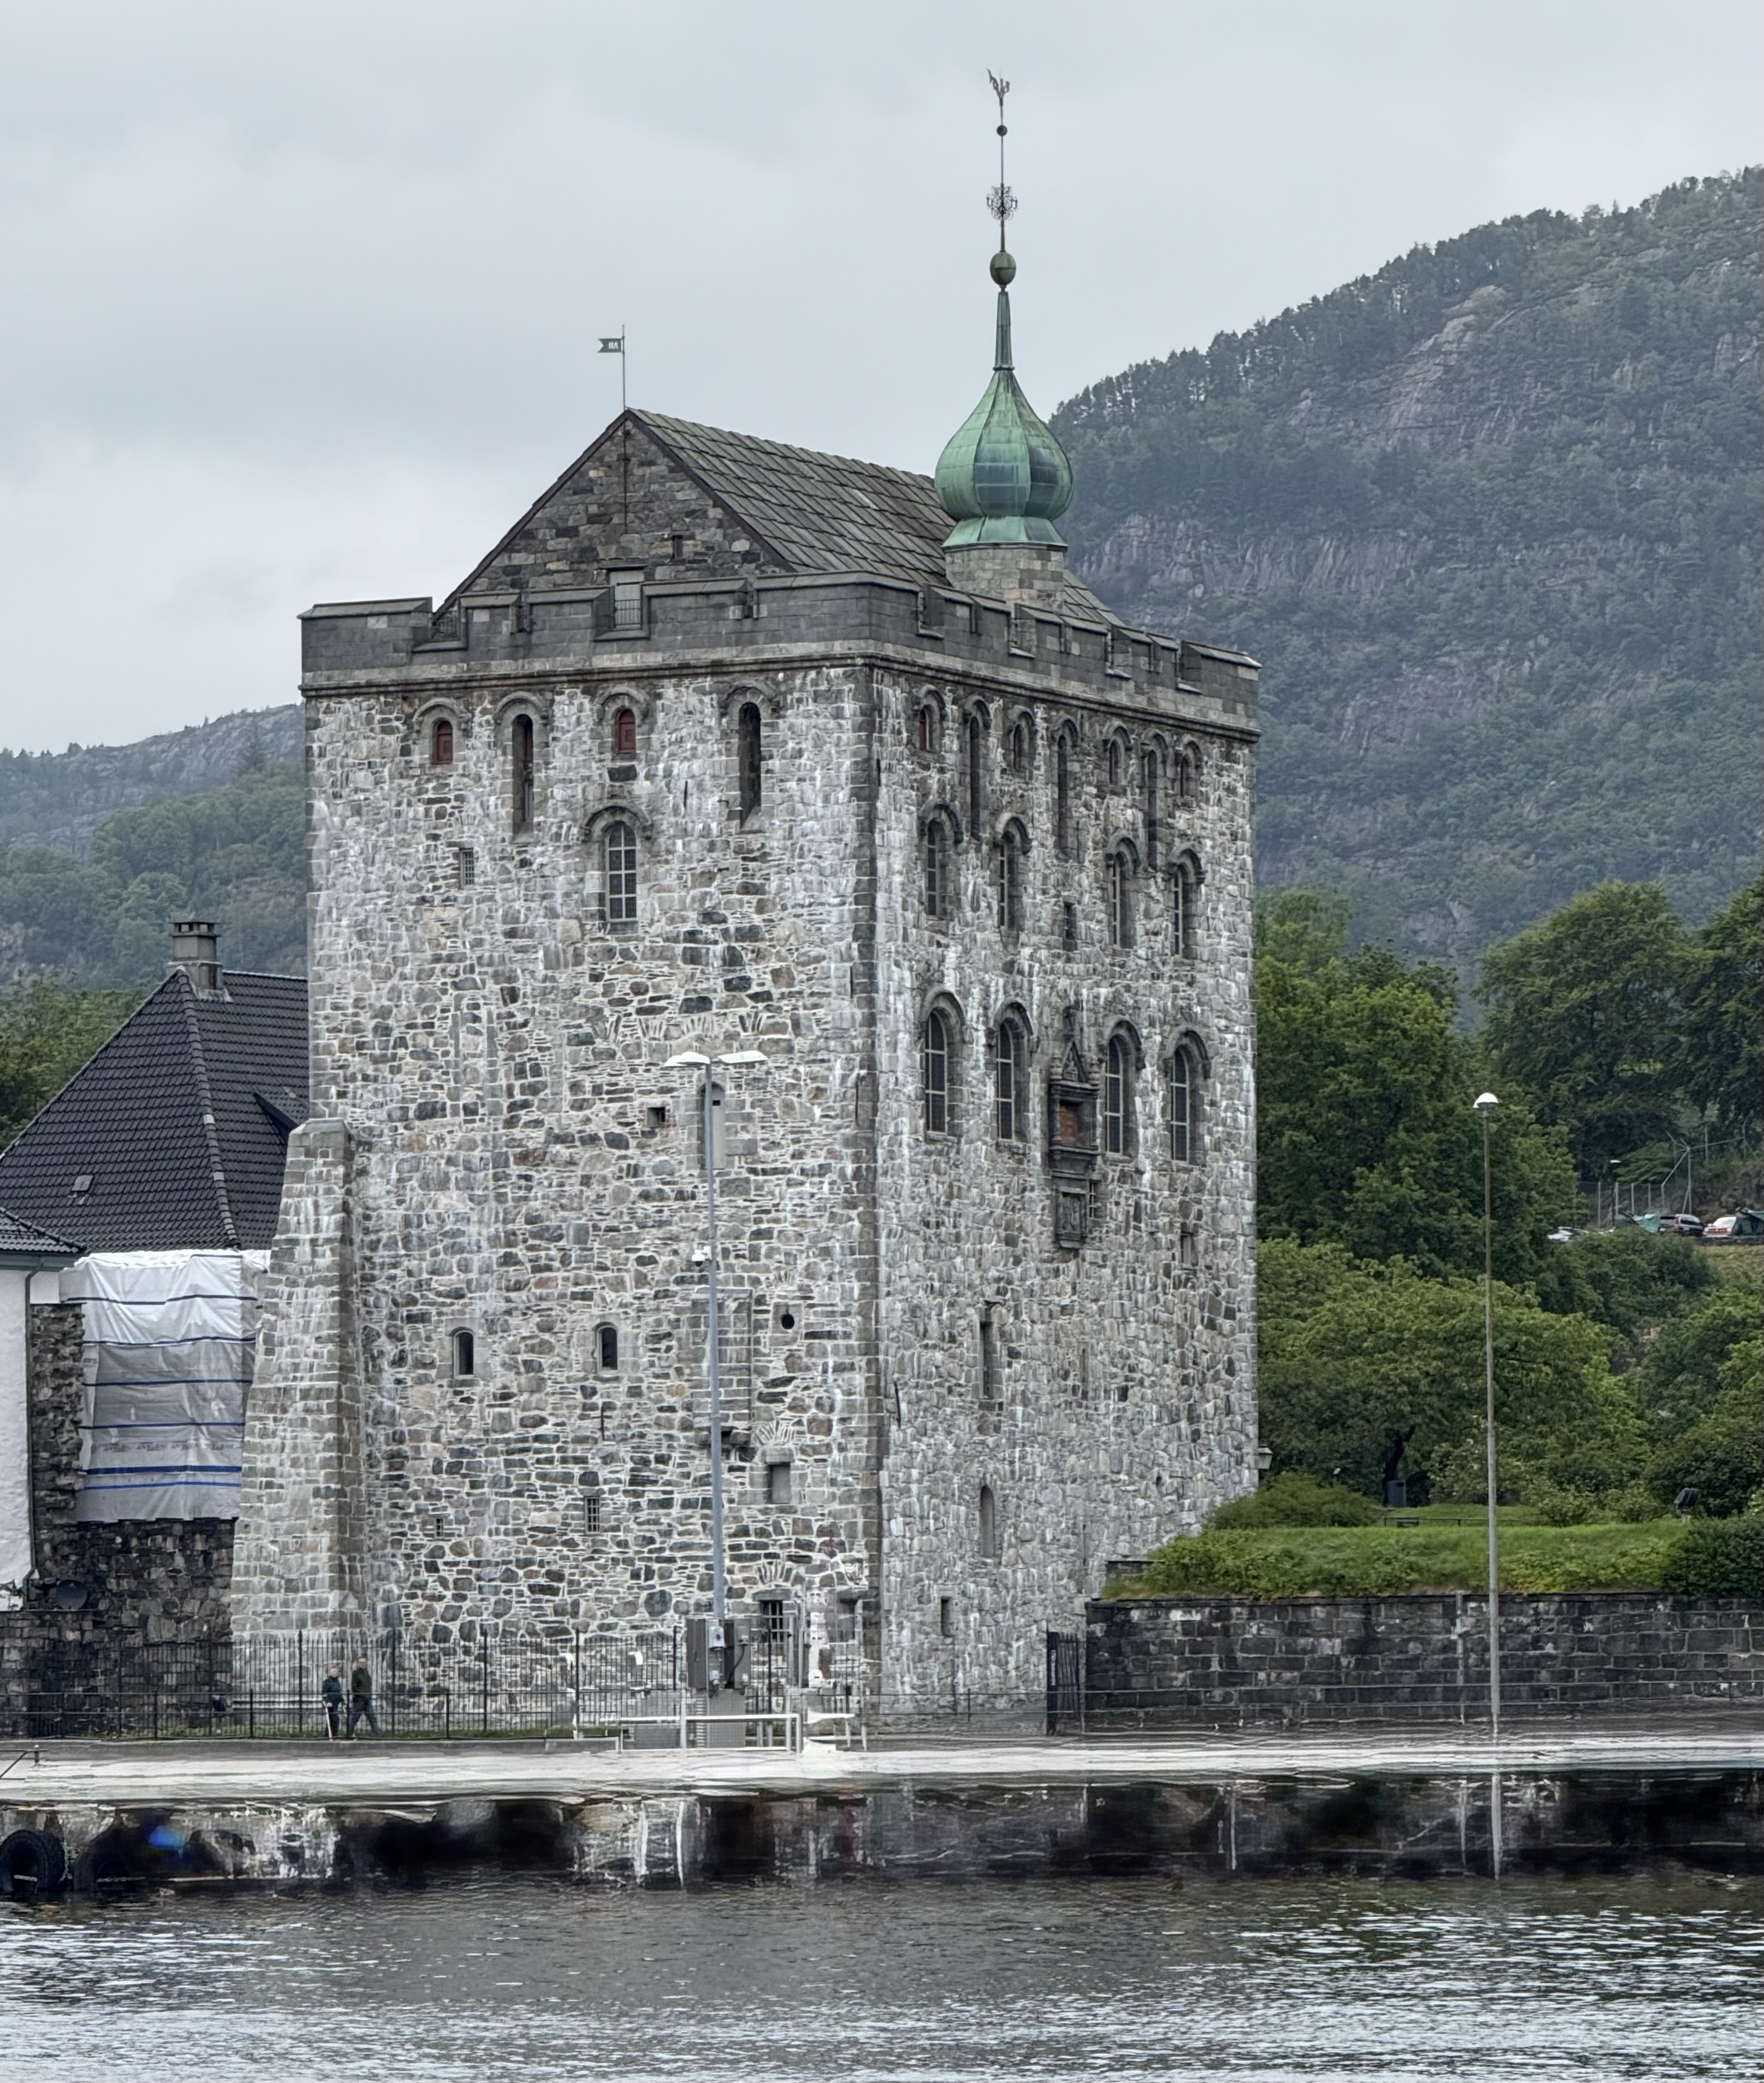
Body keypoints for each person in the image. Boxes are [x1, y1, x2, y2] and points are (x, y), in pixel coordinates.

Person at [346, 1655, 381, 1739]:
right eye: (361, 1663)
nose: (363, 1664)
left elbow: (368, 1686)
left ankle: (377, 1734)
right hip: (359, 1699)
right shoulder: (356, 1673)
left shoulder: (367, 1673)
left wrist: (369, 1695)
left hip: (367, 1699)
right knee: (355, 1718)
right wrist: (362, 1694)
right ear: (358, 1664)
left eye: (364, 1662)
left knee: (372, 1717)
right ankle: (349, 1734)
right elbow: (354, 1687)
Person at [321, 1664, 345, 1742]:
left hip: (336, 1703)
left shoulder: (337, 1682)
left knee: (333, 1720)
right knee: (334, 1720)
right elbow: (324, 1693)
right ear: (330, 1673)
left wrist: (343, 1701)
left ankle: (330, 1735)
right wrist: (327, 1702)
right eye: (333, 1671)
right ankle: (331, 1735)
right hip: (330, 1704)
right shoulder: (327, 1682)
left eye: (336, 1671)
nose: (335, 1673)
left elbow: (339, 1693)